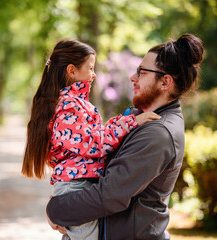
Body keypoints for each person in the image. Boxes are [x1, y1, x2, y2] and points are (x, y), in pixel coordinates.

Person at [46, 34, 204, 240]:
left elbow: (110, 196)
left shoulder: (158, 133)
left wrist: (56, 208)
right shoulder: (142, 118)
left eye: (142, 72)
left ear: (165, 82)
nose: (133, 78)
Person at [21, 39, 160, 240]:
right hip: (75, 186)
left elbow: (94, 137)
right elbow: (94, 144)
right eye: (91, 68)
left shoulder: (75, 104)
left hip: (79, 184)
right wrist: (131, 122)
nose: (94, 74)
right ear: (72, 71)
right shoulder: (68, 107)